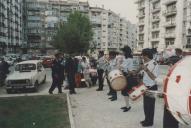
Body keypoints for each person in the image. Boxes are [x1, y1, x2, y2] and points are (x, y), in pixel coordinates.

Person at [137, 48, 159, 127]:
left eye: (142, 55)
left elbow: (154, 77)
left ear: (146, 55)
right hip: (145, 86)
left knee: (150, 106)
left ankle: (150, 122)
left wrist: (146, 70)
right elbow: (142, 75)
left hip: (152, 87)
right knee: (146, 105)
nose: (142, 57)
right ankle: (147, 119)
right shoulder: (146, 63)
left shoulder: (154, 64)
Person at [163, 48, 183, 128]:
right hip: (171, 99)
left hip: (173, 100)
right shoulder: (175, 72)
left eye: (170, 64)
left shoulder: (177, 74)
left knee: (170, 119)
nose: (169, 66)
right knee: (171, 119)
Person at [120, 45, 138, 112]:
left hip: (127, 77)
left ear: (125, 52)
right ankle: (127, 105)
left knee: (125, 92)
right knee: (127, 92)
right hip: (132, 77)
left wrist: (120, 64)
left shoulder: (127, 60)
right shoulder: (133, 59)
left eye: (123, 51)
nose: (123, 53)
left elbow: (121, 67)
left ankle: (128, 106)